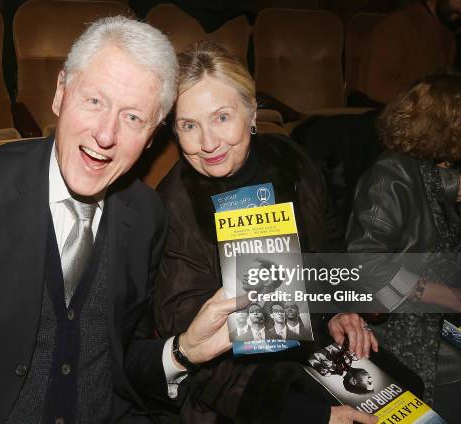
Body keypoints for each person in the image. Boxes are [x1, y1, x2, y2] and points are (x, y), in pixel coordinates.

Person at [0, 17, 241, 424]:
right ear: (60, 92)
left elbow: (121, 359)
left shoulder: (147, 216)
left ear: (153, 136)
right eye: (94, 101)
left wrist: (184, 350)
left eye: (133, 118)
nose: (105, 135)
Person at [155, 40, 378, 424]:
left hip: (315, 355)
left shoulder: (291, 159)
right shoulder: (173, 207)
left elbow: (329, 245)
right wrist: (308, 414)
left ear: (252, 110)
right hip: (236, 393)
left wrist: (338, 308)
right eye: (189, 125)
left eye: (222, 117)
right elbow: (195, 350)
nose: (208, 144)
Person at [347, 72, 461, 422]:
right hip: (402, 341)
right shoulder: (390, 177)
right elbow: (366, 271)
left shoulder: (460, 179)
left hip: (460, 335)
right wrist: (458, 298)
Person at [357, 0, 461, 105]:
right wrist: (430, 103)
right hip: (384, 117)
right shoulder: (398, 25)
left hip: (423, 120)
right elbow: (377, 87)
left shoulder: (447, 35)